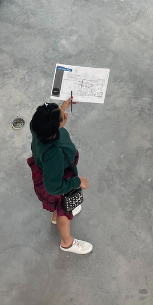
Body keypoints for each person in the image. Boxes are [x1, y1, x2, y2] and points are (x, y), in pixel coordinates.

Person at [27, 97, 92, 254]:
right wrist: (77, 181)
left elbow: (47, 118)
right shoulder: (54, 154)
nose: (66, 115)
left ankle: (55, 216)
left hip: (48, 173)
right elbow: (54, 187)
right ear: (55, 129)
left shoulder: (36, 125)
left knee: (58, 208)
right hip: (58, 182)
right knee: (65, 214)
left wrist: (61, 107)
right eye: (63, 117)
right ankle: (67, 242)